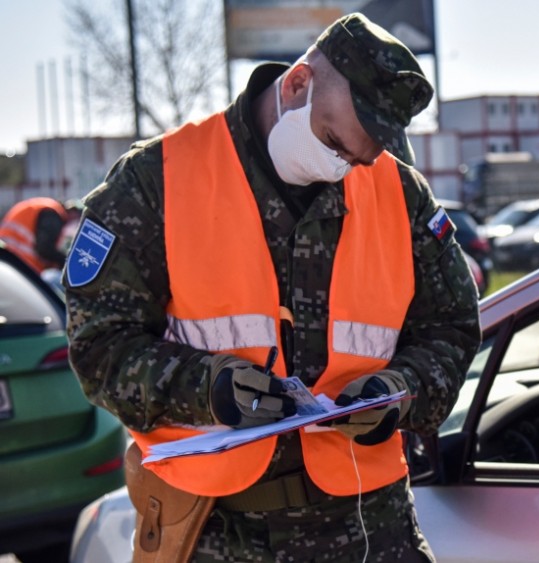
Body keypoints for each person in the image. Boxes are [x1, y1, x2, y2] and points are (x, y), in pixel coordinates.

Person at [63, 12, 481, 562]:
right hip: (216, 533)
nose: (342, 168)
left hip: (370, 530)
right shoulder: (155, 181)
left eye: (359, 158)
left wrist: (399, 392)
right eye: (334, 141)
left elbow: (451, 326)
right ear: (297, 85)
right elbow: (100, 345)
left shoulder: (400, 193)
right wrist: (206, 387)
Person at [0, 196, 69, 274]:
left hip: (8, 260)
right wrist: (67, 262)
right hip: (24, 264)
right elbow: (45, 248)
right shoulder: (52, 213)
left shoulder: (36, 206)